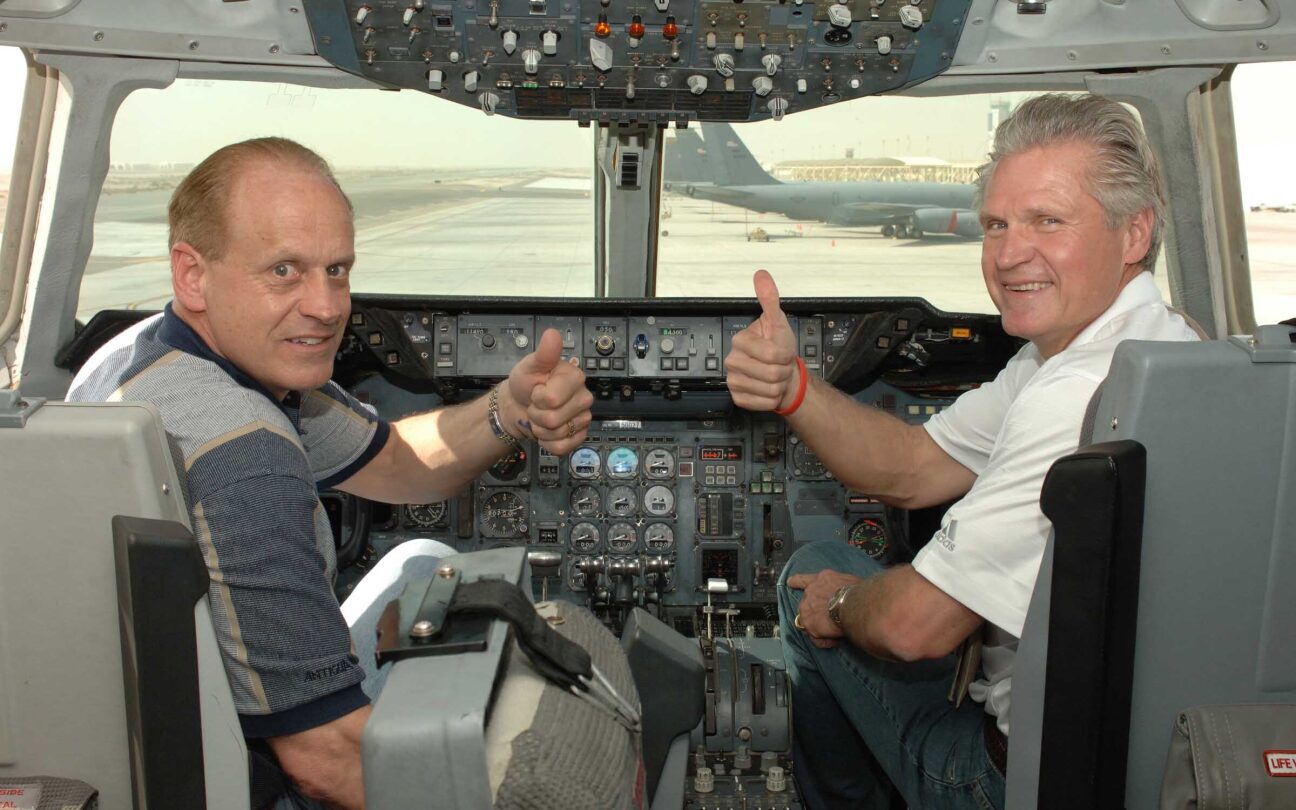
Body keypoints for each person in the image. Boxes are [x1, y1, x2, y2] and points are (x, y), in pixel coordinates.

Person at [67, 137, 594, 810]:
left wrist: (509, 408)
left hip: (142, 736)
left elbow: (403, 463)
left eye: (336, 270)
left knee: (425, 559)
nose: (325, 307)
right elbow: (330, 760)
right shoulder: (247, 454)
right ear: (191, 274)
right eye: (283, 271)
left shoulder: (134, 356)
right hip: (245, 777)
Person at [724, 94, 1202, 809]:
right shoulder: (1154, 344)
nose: (1009, 254)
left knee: (812, 582)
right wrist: (796, 389)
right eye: (997, 225)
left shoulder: (1074, 391)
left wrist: (843, 602)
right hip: (1165, 754)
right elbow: (914, 466)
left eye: (1048, 221)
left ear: (1134, 232)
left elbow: (914, 629)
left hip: (1027, 780)